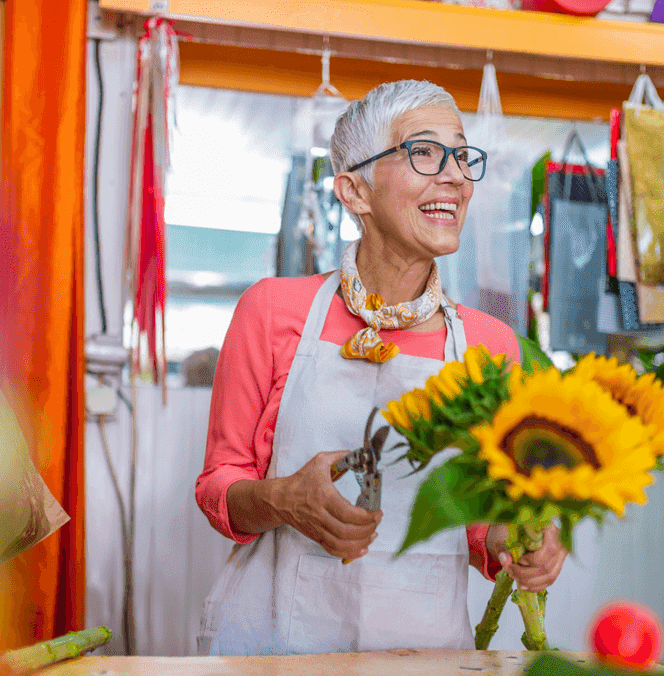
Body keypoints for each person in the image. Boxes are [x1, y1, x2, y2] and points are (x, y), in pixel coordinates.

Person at [194, 80, 567, 656]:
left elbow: (476, 525)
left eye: (462, 156)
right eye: (424, 153)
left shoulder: (490, 346)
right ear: (354, 191)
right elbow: (219, 484)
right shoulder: (271, 310)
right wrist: (283, 499)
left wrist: (518, 540)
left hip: (425, 652)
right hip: (273, 645)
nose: (455, 177)